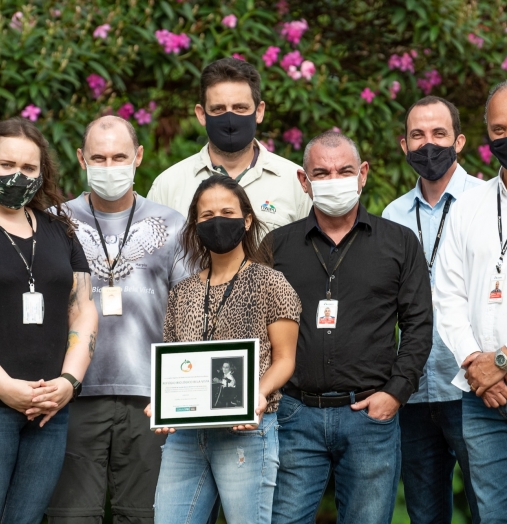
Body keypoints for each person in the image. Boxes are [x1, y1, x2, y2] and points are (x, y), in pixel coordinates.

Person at [269, 130, 433, 524]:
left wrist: (395, 394)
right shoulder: (277, 247)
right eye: (321, 173)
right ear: (303, 182)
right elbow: (259, 328)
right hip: (295, 414)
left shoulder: (399, 242)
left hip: (369, 417)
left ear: (362, 174)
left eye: (344, 170)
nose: (334, 180)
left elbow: (418, 324)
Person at [47, 116, 188, 524]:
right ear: (81, 159)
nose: (110, 166)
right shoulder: (54, 223)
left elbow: (190, 311)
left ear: (138, 157)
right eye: (99, 157)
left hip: (150, 399)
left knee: (145, 516)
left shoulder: (173, 224)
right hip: (72, 395)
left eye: (120, 156)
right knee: (72, 516)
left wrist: (179, 394)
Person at [146, 174, 301, 524]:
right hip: (185, 436)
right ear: (195, 226)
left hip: (246, 432)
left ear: (247, 220)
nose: (217, 221)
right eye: (206, 215)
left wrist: (257, 394)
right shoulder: (182, 292)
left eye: (227, 211)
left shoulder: (272, 283)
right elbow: (173, 362)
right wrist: (163, 401)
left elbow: (285, 359)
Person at [382, 96, 481, 524]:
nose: (428, 144)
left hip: (474, 387)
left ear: (458, 140)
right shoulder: (392, 214)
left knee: (491, 510)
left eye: (439, 134)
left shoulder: (487, 202)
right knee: (425, 516)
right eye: (418, 135)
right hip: (415, 391)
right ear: (404, 144)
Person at [434, 79, 507, 523]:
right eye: (500, 129)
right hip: (481, 394)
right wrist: (475, 362)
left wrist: (503, 361)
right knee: (494, 516)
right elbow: (446, 294)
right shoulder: (469, 206)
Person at [0, 117, 97, 523]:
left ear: (43, 174)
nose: (17, 176)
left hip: (50, 409)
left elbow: (84, 309)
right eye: (6, 165)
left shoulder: (61, 231)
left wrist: (67, 383)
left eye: (28, 168)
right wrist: (5, 388)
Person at [147, 57, 311, 229]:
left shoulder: (296, 184)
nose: (230, 118)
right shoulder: (167, 187)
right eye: (218, 109)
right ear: (201, 114)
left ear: (259, 111)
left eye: (240, 108)